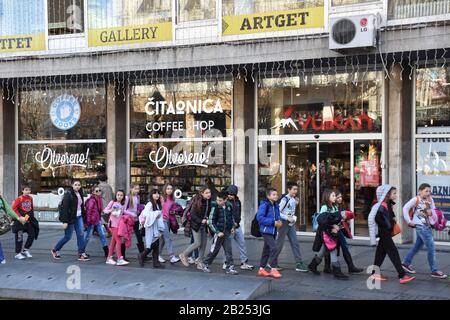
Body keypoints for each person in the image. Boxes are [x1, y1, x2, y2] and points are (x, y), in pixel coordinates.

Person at [368, 184, 415, 284]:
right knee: (393, 252)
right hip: (384, 233)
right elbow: (376, 219)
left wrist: (392, 218)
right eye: (394, 193)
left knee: (380, 254)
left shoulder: (387, 204)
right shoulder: (379, 207)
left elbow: (390, 214)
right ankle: (402, 275)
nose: (396, 195)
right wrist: (387, 224)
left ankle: (374, 274)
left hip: (386, 233)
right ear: (386, 195)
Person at [401, 183, 447, 279]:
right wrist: (409, 221)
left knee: (417, 246)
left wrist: (433, 217)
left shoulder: (430, 199)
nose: (428, 193)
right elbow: (405, 208)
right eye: (426, 191)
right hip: (421, 227)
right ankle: (434, 271)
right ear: (420, 191)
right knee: (431, 248)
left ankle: (405, 263)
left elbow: (434, 212)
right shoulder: (416, 199)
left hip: (427, 226)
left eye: (429, 191)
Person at [308, 189, 348, 280]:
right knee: (332, 249)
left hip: (332, 232)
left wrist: (340, 221)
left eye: (335, 196)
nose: (335, 197)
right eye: (333, 196)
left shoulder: (334, 207)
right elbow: (322, 221)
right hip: (326, 233)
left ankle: (312, 265)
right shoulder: (325, 207)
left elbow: (335, 219)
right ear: (327, 197)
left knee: (324, 250)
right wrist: (333, 225)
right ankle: (337, 272)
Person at [323, 190, 363, 274]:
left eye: (340, 197)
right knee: (328, 248)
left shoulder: (338, 206)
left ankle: (350, 266)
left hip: (339, 229)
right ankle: (326, 267)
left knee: (343, 246)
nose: (340, 199)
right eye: (337, 197)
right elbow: (325, 219)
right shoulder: (328, 207)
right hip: (331, 231)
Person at [51, 179, 90, 261]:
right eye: (75, 185)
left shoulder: (80, 192)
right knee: (68, 237)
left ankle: (81, 253)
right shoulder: (68, 194)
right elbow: (64, 208)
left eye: (79, 185)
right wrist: (65, 221)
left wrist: (84, 217)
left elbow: (81, 206)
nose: (77, 186)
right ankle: (55, 250)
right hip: (70, 218)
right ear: (72, 185)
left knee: (81, 234)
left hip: (79, 217)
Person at [201, 192, 238, 275]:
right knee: (214, 250)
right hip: (219, 233)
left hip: (227, 232)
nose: (218, 202)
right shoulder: (215, 207)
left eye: (220, 200)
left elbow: (230, 217)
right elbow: (210, 222)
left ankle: (230, 267)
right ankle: (205, 264)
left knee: (229, 250)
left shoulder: (229, 206)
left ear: (225, 200)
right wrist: (217, 232)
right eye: (217, 200)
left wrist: (232, 227)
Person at [274, 182, 308, 272]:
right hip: (284, 223)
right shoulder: (284, 199)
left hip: (291, 223)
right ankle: (272, 261)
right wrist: (287, 217)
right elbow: (278, 212)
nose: (295, 191)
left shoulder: (294, 199)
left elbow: (290, 210)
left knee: (295, 243)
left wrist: (293, 214)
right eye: (294, 189)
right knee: (279, 244)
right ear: (288, 189)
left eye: (296, 189)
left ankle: (299, 263)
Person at [221, 185, 253, 271]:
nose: (230, 196)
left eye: (232, 194)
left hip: (237, 227)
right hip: (229, 228)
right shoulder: (225, 202)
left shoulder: (238, 202)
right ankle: (226, 262)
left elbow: (238, 214)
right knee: (227, 246)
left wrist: (237, 223)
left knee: (242, 243)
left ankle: (244, 262)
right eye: (229, 194)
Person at [179, 187, 212, 269]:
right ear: (202, 193)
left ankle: (200, 262)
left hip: (203, 225)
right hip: (195, 225)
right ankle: (184, 254)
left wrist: (207, 218)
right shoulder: (197, 201)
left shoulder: (208, 201)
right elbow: (192, 215)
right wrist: (201, 221)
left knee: (203, 244)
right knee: (197, 243)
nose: (209, 194)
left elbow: (207, 212)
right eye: (207, 193)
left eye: (209, 192)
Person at [256, 188, 283, 279]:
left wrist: (279, 221)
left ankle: (261, 269)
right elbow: (259, 218)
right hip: (266, 230)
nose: (276, 196)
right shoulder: (264, 205)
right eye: (273, 195)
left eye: (276, 194)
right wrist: (273, 222)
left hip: (273, 230)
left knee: (266, 249)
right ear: (268, 196)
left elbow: (277, 215)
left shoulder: (276, 205)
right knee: (274, 248)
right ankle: (273, 268)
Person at [138, 189, 165, 268]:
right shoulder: (150, 204)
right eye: (154, 193)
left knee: (156, 244)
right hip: (150, 227)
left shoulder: (157, 204)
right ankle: (142, 255)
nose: (157, 195)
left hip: (155, 226)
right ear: (151, 195)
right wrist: (156, 214)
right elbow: (146, 214)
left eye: (158, 193)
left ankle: (155, 262)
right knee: (152, 244)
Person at [12, 185, 39, 260]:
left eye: (29, 190)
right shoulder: (19, 199)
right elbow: (14, 209)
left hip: (28, 220)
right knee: (19, 237)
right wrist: (20, 217)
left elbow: (31, 209)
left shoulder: (30, 198)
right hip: (20, 221)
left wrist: (28, 218)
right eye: (26, 190)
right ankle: (18, 253)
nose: (28, 192)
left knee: (32, 234)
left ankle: (25, 249)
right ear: (22, 191)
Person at [103, 190, 129, 266]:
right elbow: (105, 210)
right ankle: (119, 258)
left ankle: (109, 258)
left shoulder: (123, 204)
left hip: (118, 225)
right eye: (118, 195)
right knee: (118, 240)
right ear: (116, 195)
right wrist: (110, 210)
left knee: (113, 242)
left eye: (121, 195)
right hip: (112, 224)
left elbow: (124, 212)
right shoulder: (112, 202)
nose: (119, 196)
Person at [84, 185, 109, 258]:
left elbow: (99, 210)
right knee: (88, 236)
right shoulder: (92, 200)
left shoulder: (99, 199)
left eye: (99, 190)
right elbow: (88, 211)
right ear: (93, 192)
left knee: (102, 235)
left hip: (97, 220)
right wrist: (88, 222)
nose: (98, 192)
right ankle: (81, 251)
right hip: (91, 221)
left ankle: (106, 251)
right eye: (96, 191)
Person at [159, 183, 181, 264]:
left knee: (163, 240)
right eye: (168, 188)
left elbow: (172, 209)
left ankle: (158, 254)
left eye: (171, 189)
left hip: (169, 220)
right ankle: (171, 256)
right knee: (168, 238)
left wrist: (174, 211)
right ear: (165, 189)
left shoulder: (172, 199)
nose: (169, 190)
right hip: (162, 220)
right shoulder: (161, 198)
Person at [123, 184, 145, 260]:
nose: (137, 190)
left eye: (138, 189)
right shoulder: (127, 198)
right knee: (125, 236)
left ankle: (142, 254)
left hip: (136, 219)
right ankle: (122, 256)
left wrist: (140, 209)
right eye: (135, 189)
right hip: (128, 220)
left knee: (139, 236)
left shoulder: (137, 197)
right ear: (131, 189)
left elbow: (136, 207)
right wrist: (132, 214)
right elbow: (124, 210)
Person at [0, 194, 19, 264]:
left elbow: (9, 210)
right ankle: (1, 258)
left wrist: (18, 218)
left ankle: (1, 258)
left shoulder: (1, 199)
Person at [98, 173, 114, 237]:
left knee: (103, 219)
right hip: (110, 204)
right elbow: (113, 195)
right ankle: (110, 231)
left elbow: (98, 195)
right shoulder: (109, 186)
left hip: (103, 204)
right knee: (108, 219)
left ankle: (109, 232)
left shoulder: (99, 186)